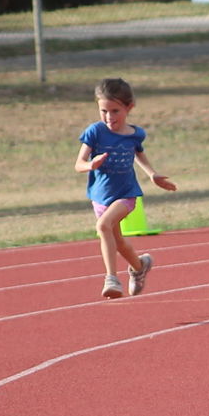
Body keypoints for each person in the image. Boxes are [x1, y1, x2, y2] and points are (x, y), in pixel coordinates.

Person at [74, 78, 177, 299]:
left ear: (128, 108)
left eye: (115, 111)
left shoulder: (134, 134)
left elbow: (138, 153)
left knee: (103, 226)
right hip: (100, 195)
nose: (109, 117)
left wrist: (152, 174)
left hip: (126, 193)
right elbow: (78, 164)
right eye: (104, 111)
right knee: (118, 241)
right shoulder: (95, 132)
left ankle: (111, 279)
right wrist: (90, 165)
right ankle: (139, 267)